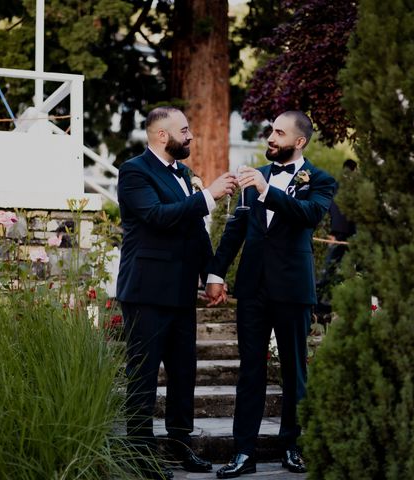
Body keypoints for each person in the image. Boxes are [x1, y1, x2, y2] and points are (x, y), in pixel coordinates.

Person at [206, 111, 336, 477]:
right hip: (252, 288)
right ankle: (243, 452)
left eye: (279, 133)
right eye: (271, 132)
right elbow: (236, 228)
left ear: (299, 142)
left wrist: (269, 192)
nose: (271, 138)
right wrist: (216, 272)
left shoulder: (320, 180)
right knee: (250, 371)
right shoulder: (256, 177)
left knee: (295, 371)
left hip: (293, 289)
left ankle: (292, 447)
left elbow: (309, 215)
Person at [116, 106, 236, 480]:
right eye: (184, 130)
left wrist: (212, 273)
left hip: (182, 291)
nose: (191, 136)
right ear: (162, 135)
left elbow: (194, 231)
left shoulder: (184, 173)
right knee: (143, 375)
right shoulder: (133, 171)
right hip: (147, 291)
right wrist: (210, 196)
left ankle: (182, 446)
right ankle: (140, 455)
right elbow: (158, 217)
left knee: (184, 374)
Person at [316, 159, 357, 308]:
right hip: (344, 232)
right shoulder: (347, 186)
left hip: (343, 231)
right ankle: (320, 300)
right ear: (354, 170)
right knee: (331, 266)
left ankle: (322, 299)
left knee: (333, 266)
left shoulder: (336, 185)